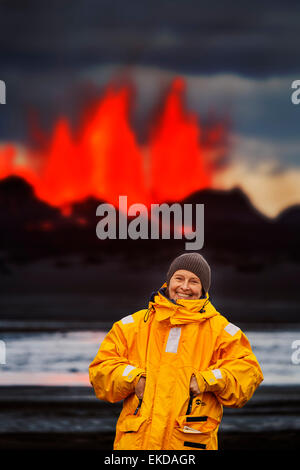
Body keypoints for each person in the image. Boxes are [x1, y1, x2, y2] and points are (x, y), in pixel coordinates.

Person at [89, 252, 263, 450]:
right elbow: (100, 370)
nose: (185, 287)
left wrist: (208, 380)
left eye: (194, 281)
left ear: (203, 288)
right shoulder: (132, 326)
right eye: (179, 278)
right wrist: (134, 378)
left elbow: (248, 374)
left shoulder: (222, 331)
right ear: (168, 281)